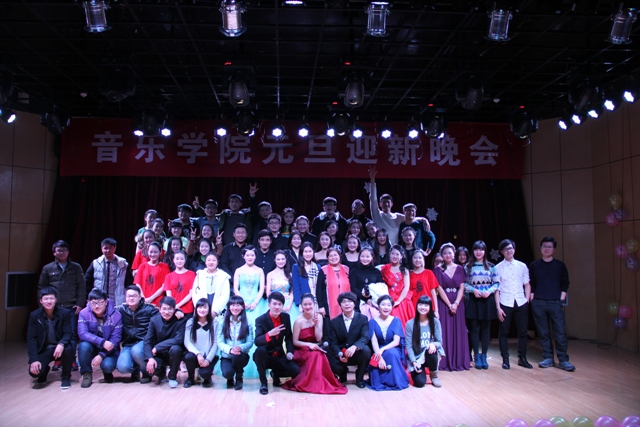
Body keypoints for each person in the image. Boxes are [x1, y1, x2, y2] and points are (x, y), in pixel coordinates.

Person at [282, 293, 348, 394]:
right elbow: (295, 342)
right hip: (301, 349)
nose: (308, 307)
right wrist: (309, 345)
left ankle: (319, 382)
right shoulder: (298, 321)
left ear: (314, 304)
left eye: (310, 304)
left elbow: (318, 338)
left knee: (320, 354)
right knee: (316, 355)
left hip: (315, 346)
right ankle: (311, 383)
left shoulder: (319, 317)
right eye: (305, 304)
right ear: (301, 306)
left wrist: (316, 324)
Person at [530, 236, 575, 371]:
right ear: (541, 248)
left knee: (560, 332)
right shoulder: (534, 265)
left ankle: (563, 360)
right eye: (544, 246)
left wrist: (561, 299)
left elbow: (565, 283)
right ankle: (548, 357)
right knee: (543, 332)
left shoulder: (560, 265)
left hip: (555, 302)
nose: (547, 249)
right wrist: (533, 299)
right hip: (538, 302)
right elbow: (531, 283)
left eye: (549, 247)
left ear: (554, 249)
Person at [495, 239, 533, 370]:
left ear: (514, 250)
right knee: (503, 332)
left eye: (511, 248)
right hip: (505, 302)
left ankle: (522, 357)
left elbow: (527, 285)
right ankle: (505, 359)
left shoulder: (522, 266)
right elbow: (497, 289)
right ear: (502, 252)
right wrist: (498, 307)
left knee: (523, 331)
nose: (509, 251)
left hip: (521, 302)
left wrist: (526, 300)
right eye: (506, 249)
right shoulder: (497, 268)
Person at [27, 287, 75, 389]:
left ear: (56, 300)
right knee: (34, 372)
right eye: (46, 299)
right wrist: (33, 360)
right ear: (41, 301)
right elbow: (31, 339)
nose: (49, 301)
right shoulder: (35, 315)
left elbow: (68, 333)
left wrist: (61, 344)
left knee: (68, 349)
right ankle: (44, 372)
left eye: (51, 298)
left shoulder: (64, 313)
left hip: (60, 347)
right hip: (45, 349)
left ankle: (66, 376)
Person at [253, 292, 300, 395]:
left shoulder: (286, 317)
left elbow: (288, 337)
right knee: (259, 351)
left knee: (295, 370)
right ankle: (263, 383)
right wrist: (269, 334)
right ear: (269, 305)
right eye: (274, 304)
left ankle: (275, 374)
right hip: (265, 355)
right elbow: (257, 341)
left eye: (279, 304)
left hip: (279, 355)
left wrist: (290, 352)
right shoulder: (260, 320)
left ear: (283, 306)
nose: (277, 307)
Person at [433, 242, 470, 371]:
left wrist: (456, 303)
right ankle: (444, 361)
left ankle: (459, 361)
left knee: (459, 331)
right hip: (444, 302)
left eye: (450, 253)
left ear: (454, 254)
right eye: (445, 253)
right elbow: (438, 288)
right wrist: (449, 304)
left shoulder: (460, 268)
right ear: (441, 255)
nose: (447, 255)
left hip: (458, 303)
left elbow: (461, 287)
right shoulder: (437, 269)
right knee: (445, 330)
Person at [77, 288, 123, 388]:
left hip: (110, 349)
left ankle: (107, 373)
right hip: (93, 346)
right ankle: (86, 374)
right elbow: (82, 333)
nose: (97, 306)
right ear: (89, 302)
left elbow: (116, 339)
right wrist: (102, 342)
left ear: (106, 302)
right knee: (83, 346)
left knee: (107, 366)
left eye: (100, 302)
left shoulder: (116, 315)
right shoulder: (84, 313)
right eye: (93, 303)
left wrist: (101, 355)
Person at [233, 246, 267, 378]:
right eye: (247, 255)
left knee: (257, 331)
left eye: (252, 255)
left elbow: (261, 289)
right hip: (241, 303)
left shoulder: (260, 270)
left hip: (256, 304)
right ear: (243, 256)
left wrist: (255, 303)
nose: (250, 257)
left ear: (255, 256)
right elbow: (236, 288)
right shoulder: (238, 270)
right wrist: (242, 303)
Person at [465, 240, 499, 370]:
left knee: (486, 329)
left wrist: (489, 291)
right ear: (473, 251)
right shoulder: (468, 267)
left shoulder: (491, 266)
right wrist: (473, 290)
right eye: (476, 249)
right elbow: (463, 284)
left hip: (487, 301)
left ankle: (484, 356)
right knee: (474, 329)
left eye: (481, 249)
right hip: (473, 301)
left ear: (485, 251)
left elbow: (496, 283)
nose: (478, 252)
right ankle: (476, 356)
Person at [327, 292, 371, 388]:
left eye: (350, 301)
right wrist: (339, 354)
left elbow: (365, 337)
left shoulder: (363, 319)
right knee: (329, 356)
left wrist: (355, 347)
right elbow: (333, 342)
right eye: (344, 302)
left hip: (356, 352)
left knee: (366, 350)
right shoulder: (334, 322)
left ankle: (359, 378)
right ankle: (342, 374)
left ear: (354, 304)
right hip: (341, 352)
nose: (347, 304)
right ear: (340, 305)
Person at [142, 296, 187, 388]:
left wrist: (157, 347)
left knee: (176, 349)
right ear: (159, 309)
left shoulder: (181, 320)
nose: (166, 312)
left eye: (170, 309)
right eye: (164, 309)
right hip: (159, 354)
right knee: (150, 369)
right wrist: (150, 358)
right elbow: (147, 339)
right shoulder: (154, 320)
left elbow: (178, 340)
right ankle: (161, 374)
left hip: (173, 353)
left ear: (174, 309)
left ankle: (172, 377)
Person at [116, 285, 158, 382]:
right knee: (122, 367)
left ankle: (146, 373)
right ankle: (135, 371)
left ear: (140, 297)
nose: (131, 298)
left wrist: (177, 311)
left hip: (144, 341)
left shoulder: (149, 309)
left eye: (134, 296)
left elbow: (163, 312)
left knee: (136, 351)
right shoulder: (122, 309)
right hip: (128, 343)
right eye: (129, 296)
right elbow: (108, 308)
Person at [367, 295, 408, 391]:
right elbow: (374, 342)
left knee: (391, 353)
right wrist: (379, 356)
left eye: (389, 305)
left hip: (393, 347)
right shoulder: (372, 322)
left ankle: (394, 381)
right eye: (383, 304)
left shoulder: (396, 320)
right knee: (376, 357)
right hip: (377, 349)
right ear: (378, 306)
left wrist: (382, 350)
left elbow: (396, 342)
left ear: (392, 307)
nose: (386, 307)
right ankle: (381, 381)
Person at [217, 295, 255, 390]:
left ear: (242, 307)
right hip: (227, 355)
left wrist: (240, 347)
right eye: (232, 305)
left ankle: (239, 377)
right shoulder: (222, 321)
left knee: (236, 356)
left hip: (241, 356)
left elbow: (250, 342)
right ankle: (230, 378)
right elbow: (219, 342)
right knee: (227, 373)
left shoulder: (248, 322)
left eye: (238, 305)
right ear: (229, 307)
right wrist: (230, 350)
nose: (235, 308)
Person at [39, 240, 86, 316]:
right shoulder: (47, 268)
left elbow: (81, 286)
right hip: (53, 306)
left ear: (68, 252)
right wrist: (42, 305)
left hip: (71, 307)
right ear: (54, 253)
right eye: (59, 251)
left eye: (64, 250)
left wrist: (80, 304)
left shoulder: (76, 267)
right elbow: (42, 287)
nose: (62, 253)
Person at [406, 296, 444, 388]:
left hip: (430, 355)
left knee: (431, 350)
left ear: (430, 307)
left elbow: (439, 342)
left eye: (426, 305)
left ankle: (434, 376)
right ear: (417, 306)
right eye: (421, 304)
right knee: (419, 383)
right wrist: (414, 362)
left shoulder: (435, 322)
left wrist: (433, 344)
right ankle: (420, 370)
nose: (423, 307)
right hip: (417, 358)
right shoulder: (410, 324)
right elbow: (408, 346)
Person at [85, 237, 133, 306]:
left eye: (111, 248)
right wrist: (88, 297)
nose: (108, 250)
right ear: (101, 249)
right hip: (99, 300)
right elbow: (87, 280)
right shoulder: (95, 263)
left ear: (115, 248)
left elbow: (129, 282)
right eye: (105, 248)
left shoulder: (123, 264)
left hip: (117, 301)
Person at [183, 298, 219, 388]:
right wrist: (198, 354)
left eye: (204, 307)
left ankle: (207, 377)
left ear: (209, 309)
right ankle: (190, 378)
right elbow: (187, 342)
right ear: (196, 309)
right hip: (195, 355)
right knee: (188, 357)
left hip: (207, 355)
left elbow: (215, 343)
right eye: (199, 307)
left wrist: (208, 359)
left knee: (205, 374)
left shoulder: (214, 323)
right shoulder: (190, 322)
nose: (202, 310)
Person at [149, 250, 196, 316]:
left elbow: (191, 293)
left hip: (187, 310)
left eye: (182, 259)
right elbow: (169, 294)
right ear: (173, 260)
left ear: (185, 260)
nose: (179, 261)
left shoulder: (192, 274)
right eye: (177, 259)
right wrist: (173, 306)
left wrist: (178, 305)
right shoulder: (169, 276)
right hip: (172, 310)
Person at [380, 245, 413, 327]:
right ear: (389, 254)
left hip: (402, 298)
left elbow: (406, 287)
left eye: (397, 254)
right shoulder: (384, 269)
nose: (394, 256)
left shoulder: (404, 269)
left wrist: (399, 301)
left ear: (401, 256)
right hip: (388, 297)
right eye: (393, 253)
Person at [191, 252, 231, 318]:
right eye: (209, 260)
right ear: (205, 262)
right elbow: (195, 294)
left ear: (217, 262)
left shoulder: (224, 276)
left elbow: (225, 295)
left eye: (214, 260)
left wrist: (215, 310)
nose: (211, 262)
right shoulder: (200, 275)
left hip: (218, 310)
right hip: (201, 310)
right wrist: (201, 308)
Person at [316, 248, 351, 323]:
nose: (333, 257)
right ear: (327, 258)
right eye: (330, 256)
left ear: (339, 256)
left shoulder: (346, 269)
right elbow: (319, 290)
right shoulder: (323, 270)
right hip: (328, 307)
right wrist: (321, 306)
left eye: (335, 255)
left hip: (346, 305)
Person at [133, 242, 170, 306]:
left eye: (155, 252)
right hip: (142, 300)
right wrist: (143, 298)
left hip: (157, 302)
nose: (153, 254)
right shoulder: (143, 266)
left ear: (160, 252)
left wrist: (151, 299)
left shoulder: (165, 267)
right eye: (151, 252)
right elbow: (137, 283)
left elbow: (164, 286)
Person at [348, 248, 383, 316]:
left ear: (372, 257)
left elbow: (380, 287)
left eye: (367, 256)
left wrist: (372, 299)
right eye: (362, 256)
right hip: (357, 302)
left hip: (373, 302)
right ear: (359, 257)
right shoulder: (354, 271)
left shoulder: (376, 272)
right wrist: (366, 299)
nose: (365, 259)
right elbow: (353, 288)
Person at [266, 250, 299, 318]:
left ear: (286, 259)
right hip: (274, 302)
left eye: (283, 259)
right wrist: (274, 304)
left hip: (287, 303)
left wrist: (289, 305)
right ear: (274, 260)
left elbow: (292, 292)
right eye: (278, 259)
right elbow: (268, 293)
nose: (281, 261)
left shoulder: (290, 275)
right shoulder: (270, 274)